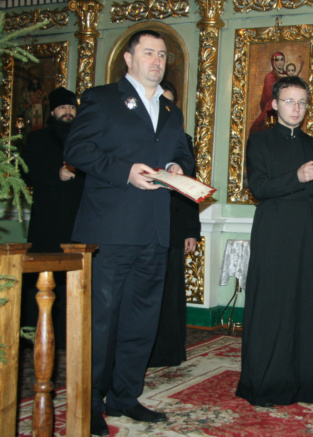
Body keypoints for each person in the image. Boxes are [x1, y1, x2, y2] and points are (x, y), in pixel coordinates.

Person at [64, 30, 194, 436]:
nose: (157, 61)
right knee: (100, 323)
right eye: (149, 53)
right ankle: (89, 404)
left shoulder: (171, 111)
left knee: (141, 322)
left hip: (155, 232)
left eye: (162, 55)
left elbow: (182, 153)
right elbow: (77, 150)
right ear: (129, 58)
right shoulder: (102, 99)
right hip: (110, 231)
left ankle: (124, 396)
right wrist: (125, 172)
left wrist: (177, 168)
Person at [236, 76, 313, 407]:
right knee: (271, 307)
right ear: (274, 104)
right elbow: (259, 188)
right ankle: (263, 385)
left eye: (302, 102)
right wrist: (296, 177)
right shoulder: (260, 141)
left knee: (302, 308)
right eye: (289, 101)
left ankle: (302, 384)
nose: (296, 108)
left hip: (305, 234)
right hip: (273, 231)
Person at [21, 86, 83, 349]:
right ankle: (34, 333)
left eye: (71, 107)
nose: (67, 112)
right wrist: (56, 175)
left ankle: (72, 335)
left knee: (74, 278)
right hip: (47, 220)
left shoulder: (84, 138)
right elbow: (26, 173)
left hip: (79, 220)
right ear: (52, 112)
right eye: (62, 108)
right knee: (43, 275)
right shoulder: (38, 139)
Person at [148, 81, 201, 367]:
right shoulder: (139, 135)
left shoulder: (183, 140)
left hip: (174, 225)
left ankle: (168, 351)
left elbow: (189, 188)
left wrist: (191, 230)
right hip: (143, 223)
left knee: (170, 290)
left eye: (170, 103)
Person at [249, 51, 288, 134]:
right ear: (273, 62)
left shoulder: (287, 75)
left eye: (282, 60)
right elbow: (267, 95)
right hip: (272, 108)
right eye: (277, 60)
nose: (280, 62)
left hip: (286, 107)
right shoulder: (270, 77)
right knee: (257, 128)